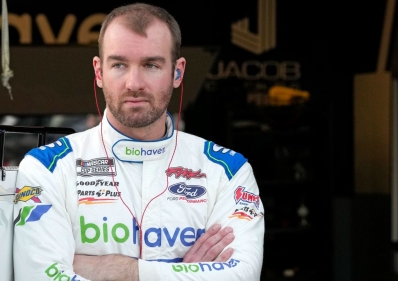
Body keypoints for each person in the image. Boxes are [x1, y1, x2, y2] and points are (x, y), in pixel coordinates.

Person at [12, 2, 264, 280]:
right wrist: (183, 271)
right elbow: (38, 276)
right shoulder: (47, 167)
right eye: (119, 64)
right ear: (98, 72)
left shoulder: (228, 170)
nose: (134, 83)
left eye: (151, 65)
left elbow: (241, 275)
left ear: (177, 72)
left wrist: (113, 269)